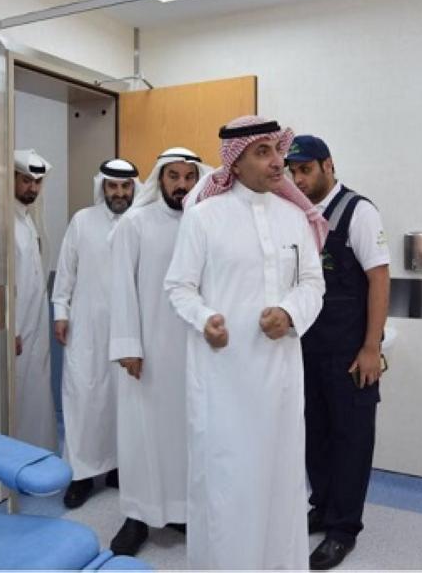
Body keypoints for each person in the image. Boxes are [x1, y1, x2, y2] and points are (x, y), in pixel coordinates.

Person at [164, 115, 327, 570]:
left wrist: (290, 313)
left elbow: (313, 283)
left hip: (280, 378)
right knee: (228, 483)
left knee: (280, 479)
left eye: (278, 150)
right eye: (263, 152)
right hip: (224, 382)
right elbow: (179, 286)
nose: (278, 162)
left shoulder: (294, 218)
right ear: (234, 163)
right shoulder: (204, 218)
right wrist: (205, 319)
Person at [286, 135, 390, 570]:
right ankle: (323, 507)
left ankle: (343, 529)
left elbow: (380, 279)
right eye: (293, 171)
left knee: (351, 439)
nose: (298, 179)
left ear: (328, 166)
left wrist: (371, 347)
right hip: (308, 348)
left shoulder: (358, 212)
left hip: (350, 352)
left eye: (305, 170)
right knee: (315, 434)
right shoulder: (296, 213)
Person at [107, 147, 212, 556]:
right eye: (174, 177)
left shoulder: (204, 221)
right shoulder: (135, 223)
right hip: (147, 351)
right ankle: (137, 516)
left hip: (194, 350)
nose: (182, 185)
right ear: (160, 179)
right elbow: (121, 287)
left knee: (186, 434)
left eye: (189, 177)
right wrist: (128, 345)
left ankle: (181, 511)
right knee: (142, 434)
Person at [51, 158, 140, 508]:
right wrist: (61, 312)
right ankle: (82, 474)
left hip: (129, 329)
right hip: (86, 327)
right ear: (103, 187)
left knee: (124, 400)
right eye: (112, 186)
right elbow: (66, 272)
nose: (119, 193)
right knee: (84, 399)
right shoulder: (82, 221)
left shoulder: (141, 222)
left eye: (125, 186)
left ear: (134, 187)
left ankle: (119, 466)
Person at [11, 148, 58, 451]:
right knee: (20, 391)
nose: (32, 188)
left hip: (35, 323)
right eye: (26, 180)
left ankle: (38, 452)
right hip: (17, 328)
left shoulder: (26, 220)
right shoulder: (5, 223)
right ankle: (19, 454)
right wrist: (12, 328)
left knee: (36, 387)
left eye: (37, 182)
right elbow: (8, 283)